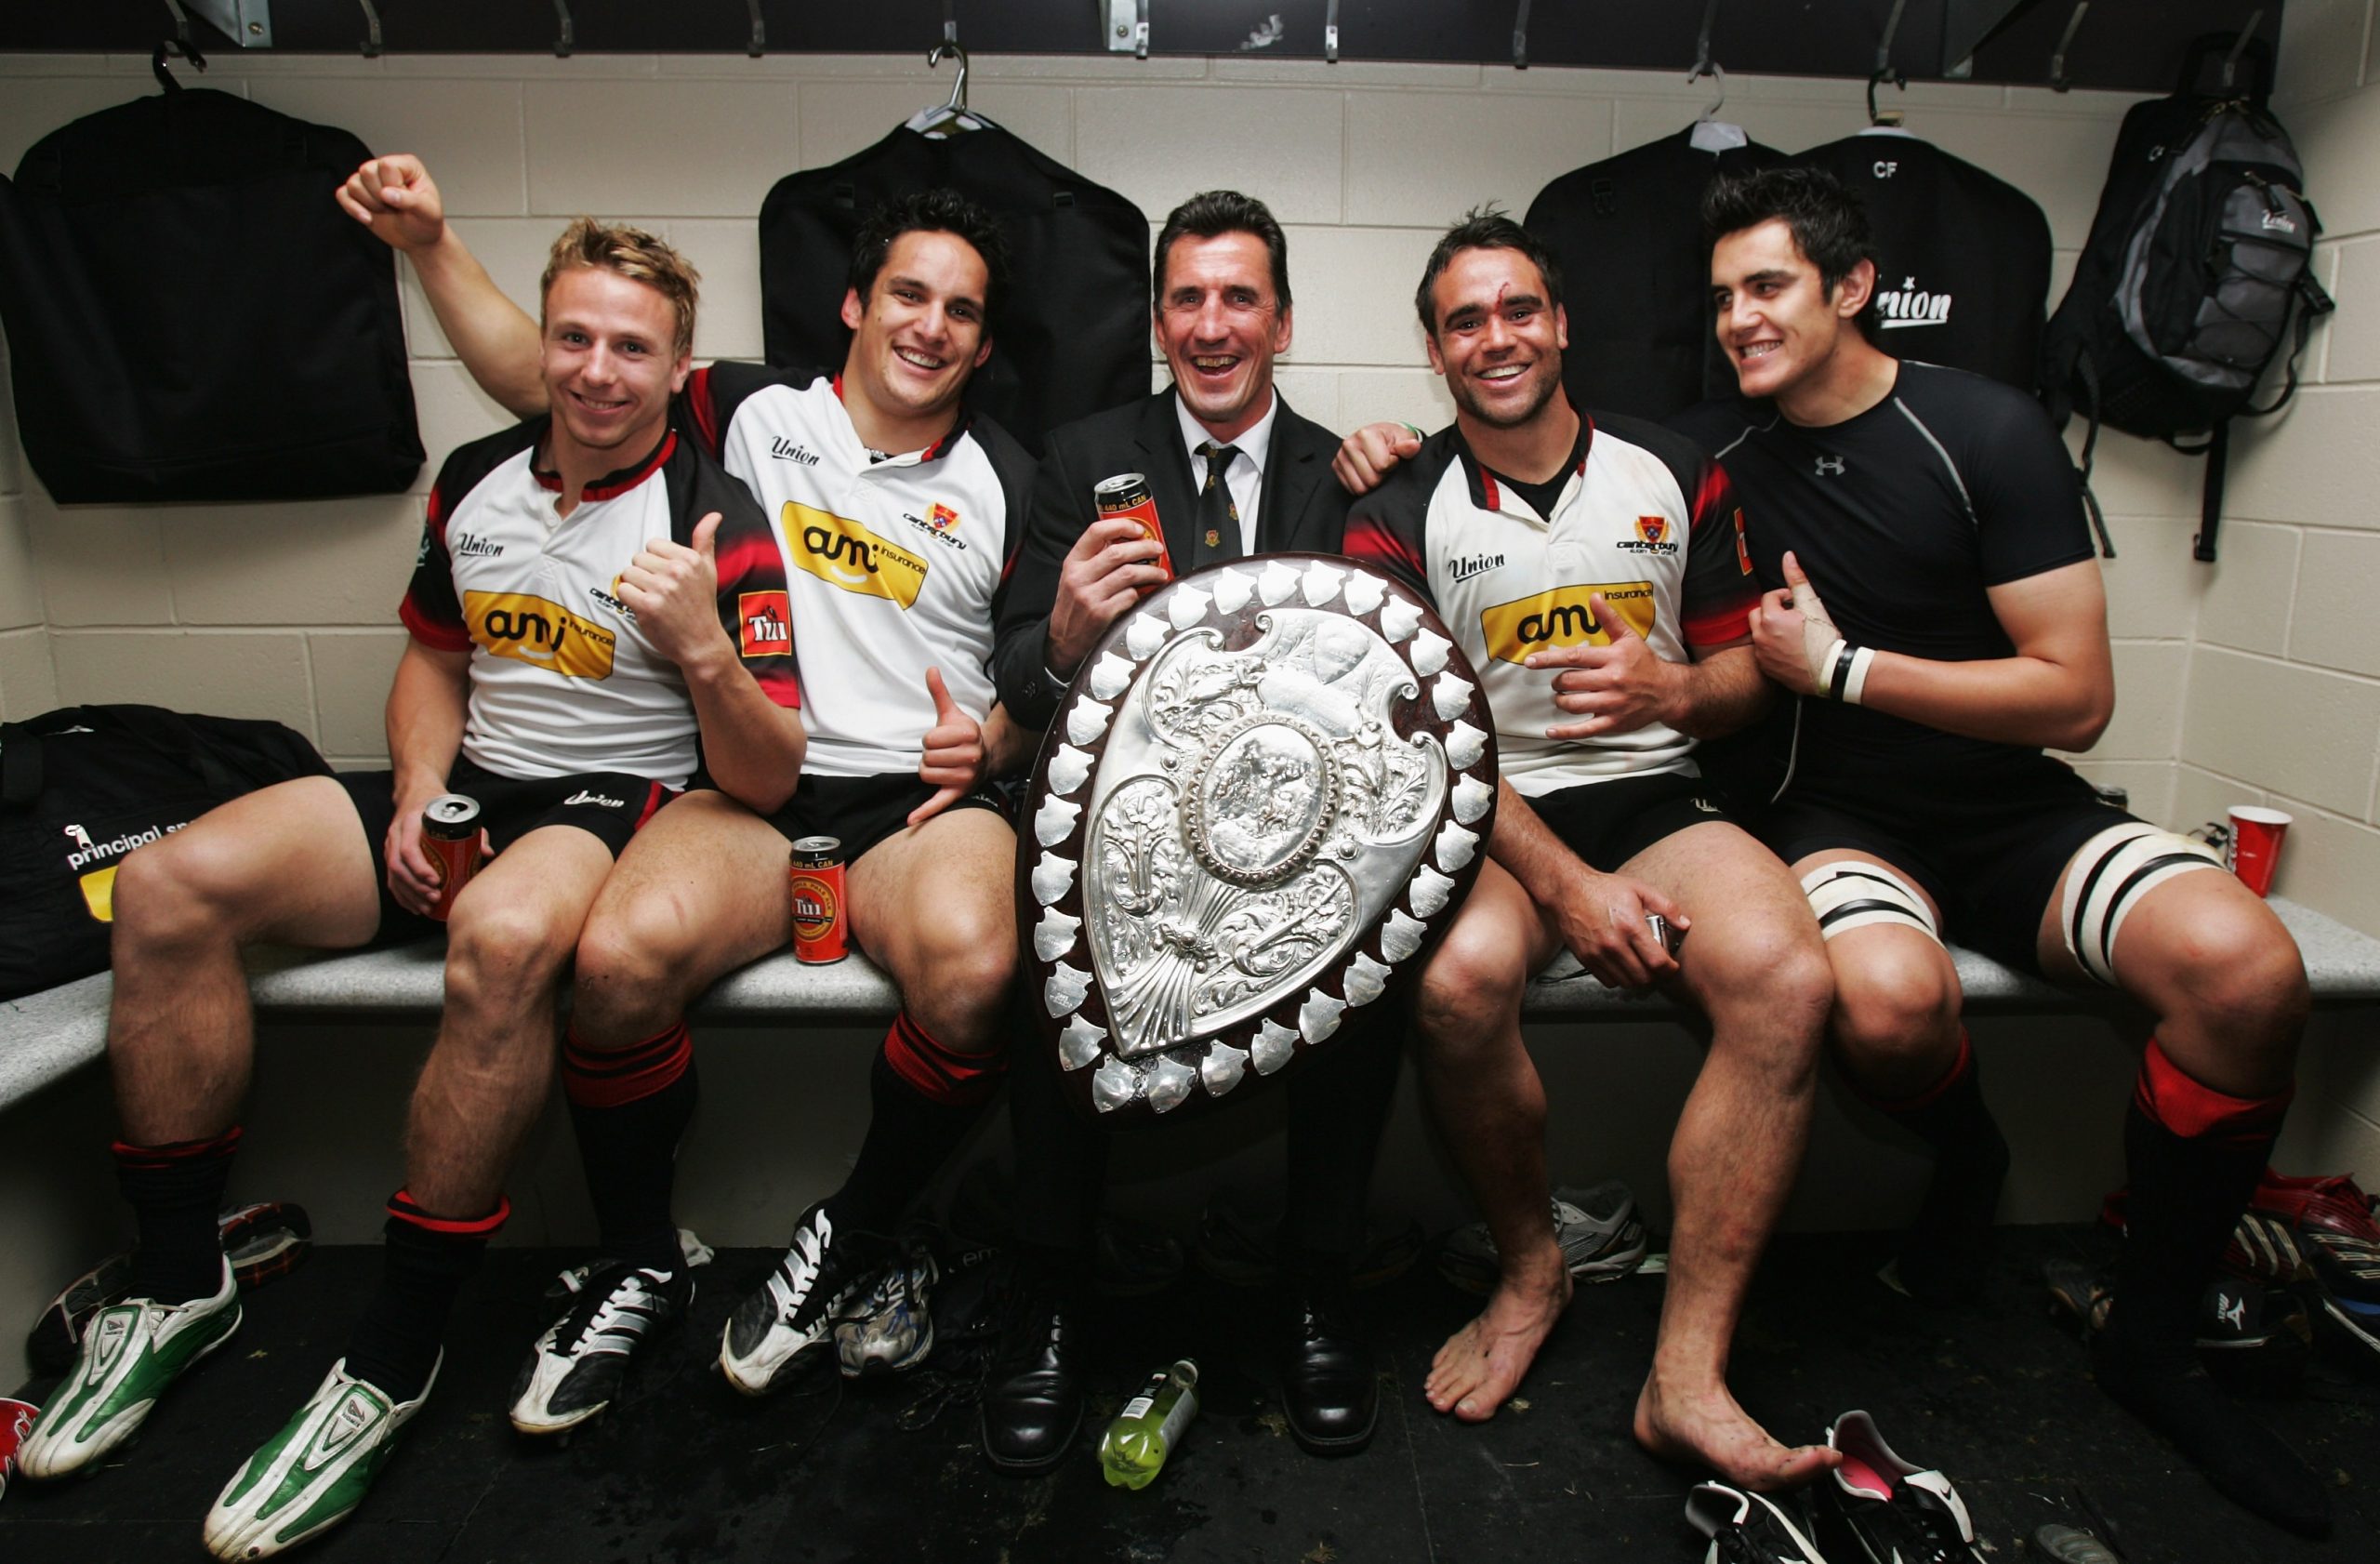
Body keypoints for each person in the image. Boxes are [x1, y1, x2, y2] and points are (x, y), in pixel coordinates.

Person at [18, 219, 804, 1559]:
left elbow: (771, 771)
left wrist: (703, 649)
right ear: (543, 343)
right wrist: (412, 795)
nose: (598, 370)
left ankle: (392, 1349)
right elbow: (436, 657)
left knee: (501, 943)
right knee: (164, 883)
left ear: (680, 368)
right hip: (461, 788)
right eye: (575, 336)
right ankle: (176, 1279)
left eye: (633, 346)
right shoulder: (478, 474)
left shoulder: (713, 513)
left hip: (609, 804)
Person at [336, 157, 1038, 1431]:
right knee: (615, 963)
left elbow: (1046, 656)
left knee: (980, 968)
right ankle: (639, 1252)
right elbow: (548, 373)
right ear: (854, 306)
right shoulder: (749, 413)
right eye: (908, 294)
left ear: (985, 343)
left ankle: (851, 1230)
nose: (930, 325)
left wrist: (989, 738)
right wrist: (432, 243)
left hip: (911, 807)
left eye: (962, 310)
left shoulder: (1009, 477)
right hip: (750, 789)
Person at [1675, 166, 2323, 1535]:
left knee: (2247, 970)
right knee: (1890, 1005)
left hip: (2012, 809)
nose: (1739, 316)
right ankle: (1968, 1165)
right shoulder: (1718, 465)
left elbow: (2073, 691)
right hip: (1835, 820)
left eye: (1769, 286)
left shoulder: (1988, 426)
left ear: (1852, 288)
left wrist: (1842, 666)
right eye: (1724, 294)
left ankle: (2150, 1340)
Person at [1338, 209, 1839, 1490]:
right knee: (1454, 985)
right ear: (1435, 350)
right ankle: (1529, 1269)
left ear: (1561, 323)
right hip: (1487, 814)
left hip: (1655, 796)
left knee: (1790, 979)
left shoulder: (1678, 468)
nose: (1495, 338)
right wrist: (1566, 890)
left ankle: (1686, 1374)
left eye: (1518, 310)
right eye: (1465, 320)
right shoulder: (1398, 504)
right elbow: (1421, 745)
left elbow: (1743, 678)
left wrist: (1674, 692)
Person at [982, 191, 1400, 1467]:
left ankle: (1315, 1286)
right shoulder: (1078, 453)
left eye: (1239, 298)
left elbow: (1399, 685)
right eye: (1187, 299)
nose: (1212, 326)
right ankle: (1051, 1292)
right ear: (1157, 318)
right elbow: (1012, 667)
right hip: (1126, 826)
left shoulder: (1352, 469)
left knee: (1372, 940)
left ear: (1281, 319)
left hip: (1298, 831)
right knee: (1043, 936)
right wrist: (1058, 637)